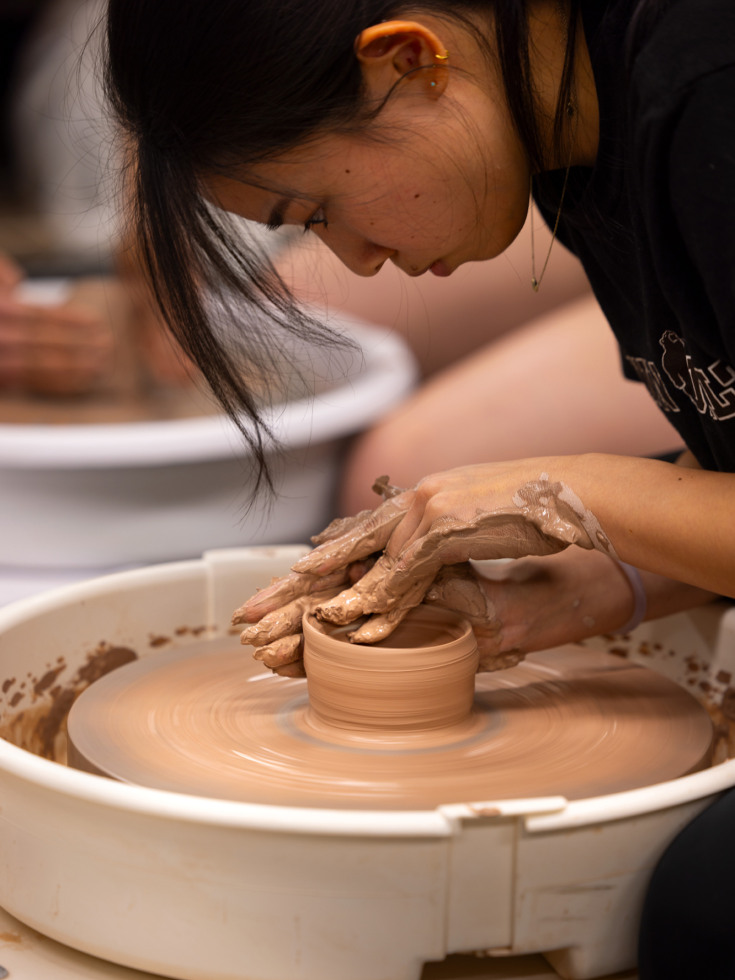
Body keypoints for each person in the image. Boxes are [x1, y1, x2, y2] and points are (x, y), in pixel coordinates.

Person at [103, 1, 734, 975]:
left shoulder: (706, 91)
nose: (351, 256)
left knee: (703, 901)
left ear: (411, 59)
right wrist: (589, 588)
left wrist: (571, 489)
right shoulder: (570, 135)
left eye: (313, 212)